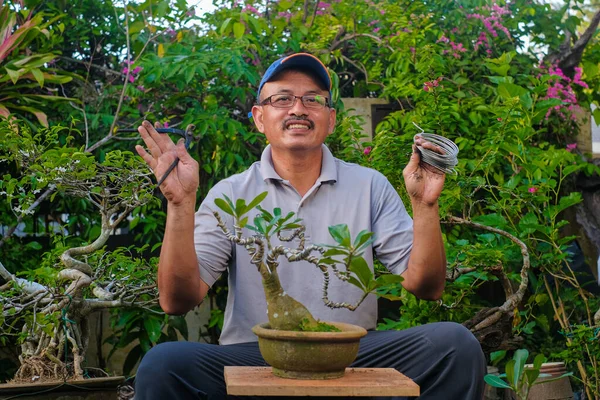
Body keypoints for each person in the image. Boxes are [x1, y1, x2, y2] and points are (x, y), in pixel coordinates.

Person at [133, 53, 486, 399]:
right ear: (259, 117)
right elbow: (177, 300)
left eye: (313, 99)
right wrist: (180, 205)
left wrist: (425, 206)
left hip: (349, 350)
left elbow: (427, 286)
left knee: (455, 346)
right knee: (164, 364)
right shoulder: (233, 194)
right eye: (282, 98)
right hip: (257, 354)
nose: (298, 109)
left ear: (331, 119)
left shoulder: (369, 186)